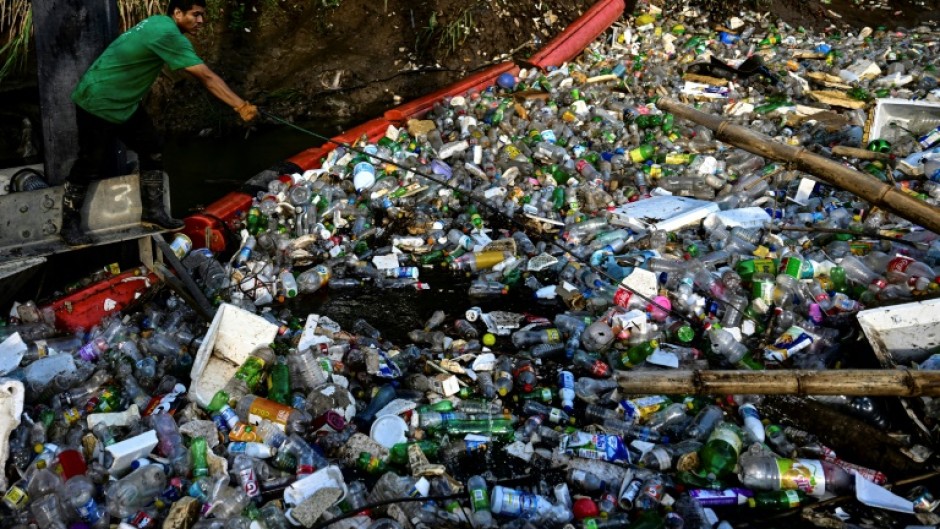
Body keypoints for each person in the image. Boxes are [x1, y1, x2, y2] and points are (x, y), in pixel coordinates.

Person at [62, 0, 258, 246]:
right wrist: (240, 105)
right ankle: (69, 224)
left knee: (152, 147)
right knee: (89, 162)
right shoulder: (167, 34)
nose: (201, 21)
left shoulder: (158, 22)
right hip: (98, 100)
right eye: (196, 15)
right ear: (177, 13)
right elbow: (206, 76)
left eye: (202, 16)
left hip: (125, 102)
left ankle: (152, 211)